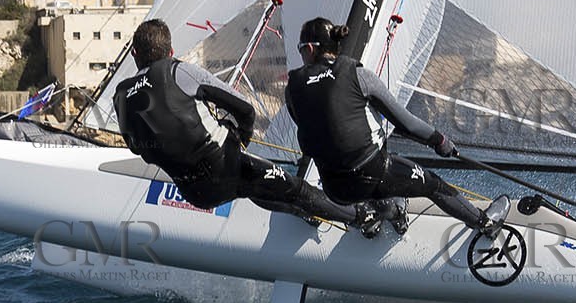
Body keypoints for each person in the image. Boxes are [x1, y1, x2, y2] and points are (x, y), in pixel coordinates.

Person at [113, 19, 366, 229]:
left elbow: (136, 147)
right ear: (170, 52)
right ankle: (360, 217)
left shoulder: (121, 96)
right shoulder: (177, 71)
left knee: (252, 188)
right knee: (294, 188)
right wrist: (241, 137)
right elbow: (245, 108)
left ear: (134, 53)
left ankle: (303, 213)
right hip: (227, 167)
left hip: (195, 193)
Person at [284, 16, 508, 239]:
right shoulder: (357, 74)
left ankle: (377, 217)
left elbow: (319, 130)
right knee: (433, 185)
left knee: (370, 180)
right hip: (373, 174)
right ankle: (485, 223)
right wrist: (440, 141)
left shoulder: (292, 88)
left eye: (300, 49)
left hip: (335, 189)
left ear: (310, 49)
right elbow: (406, 123)